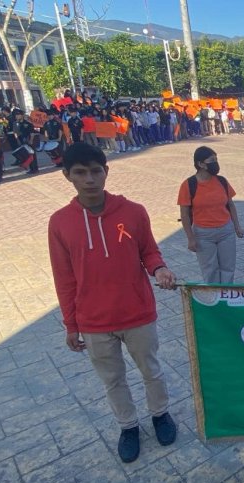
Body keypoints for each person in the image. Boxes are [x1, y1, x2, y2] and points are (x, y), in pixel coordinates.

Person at [48, 142, 178, 463]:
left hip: (138, 313)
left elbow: (149, 251)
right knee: (113, 380)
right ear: (68, 176)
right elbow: (64, 279)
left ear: (106, 172)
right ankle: (128, 426)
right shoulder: (60, 222)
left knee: (151, 370)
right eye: (80, 173)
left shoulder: (133, 212)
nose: (89, 179)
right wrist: (71, 324)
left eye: (96, 171)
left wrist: (159, 269)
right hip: (93, 321)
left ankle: (160, 414)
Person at [178, 146, 244, 283]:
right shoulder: (189, 185)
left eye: (216, 159)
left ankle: (226, 298)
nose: (215, 163)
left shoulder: (222, 181)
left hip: (226, 231)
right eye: (212, 160)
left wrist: (237, 226)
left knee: (228, 268)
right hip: (203, 234)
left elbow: (230, 204)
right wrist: (190, 238)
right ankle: (214, 300)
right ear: (201, 164)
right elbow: (184, 214)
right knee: (210, 270)